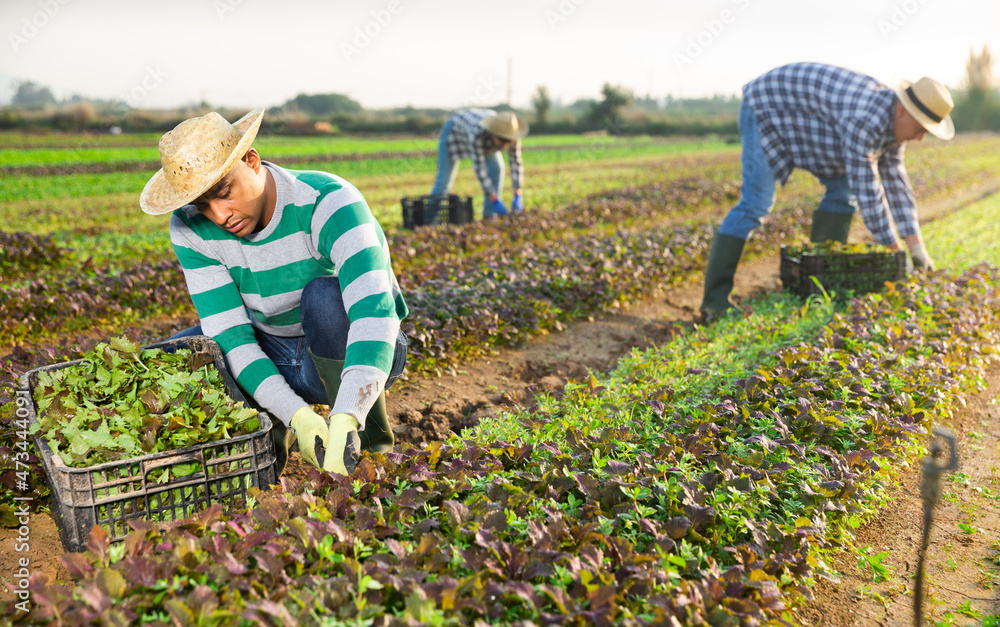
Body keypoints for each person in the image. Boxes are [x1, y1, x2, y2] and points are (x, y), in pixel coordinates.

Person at [139, 108, 408, 477]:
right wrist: (297, 415)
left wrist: (348, 415)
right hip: (272, 347)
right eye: (202, 204)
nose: (219, 215)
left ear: (252, 161)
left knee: (323, 298)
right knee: (173, 358)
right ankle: (266, 453)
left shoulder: (327, 200)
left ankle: (363, 440)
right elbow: (231, 336)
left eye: (224, 192)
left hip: (347, 349)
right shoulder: (189, 227)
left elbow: (374, 313)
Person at [701, 62, 955, 320]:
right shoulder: (863, 117)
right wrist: (896, 255)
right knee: (756, 203)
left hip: (809, 123)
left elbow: (895, 180)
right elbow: (869, 192)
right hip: (766, 107)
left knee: (842, 195)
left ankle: (817, 282)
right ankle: (715, 302)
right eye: (921, 129)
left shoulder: (893, 123)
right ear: (902, 110)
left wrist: (916, 246)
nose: (920, 138)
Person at [429, 108, 529, 219]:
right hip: (453, 132)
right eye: (502, 140)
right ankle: (429, 218)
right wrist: (495, 200)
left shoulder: (512, 133)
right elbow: (480, 169)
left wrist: (518, 194)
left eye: (508, 141)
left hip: (481, 137)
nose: (505, 145)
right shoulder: (477, 134)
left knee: (497, 169)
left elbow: (515, 163)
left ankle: (490, 215)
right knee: (443, 181)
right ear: (493, 134)